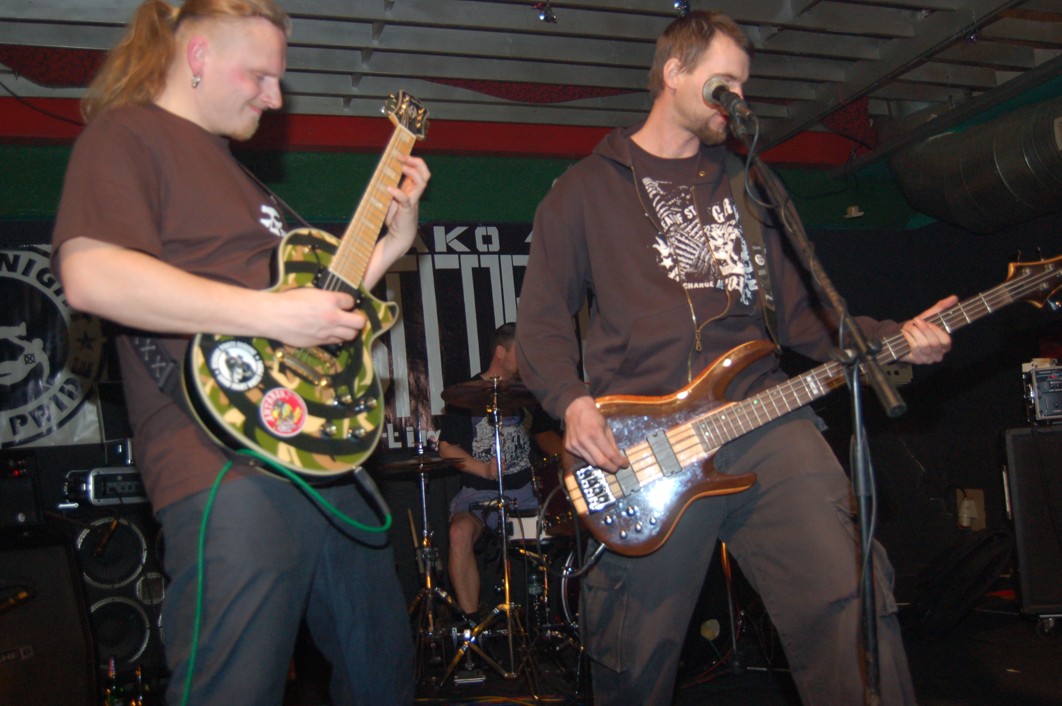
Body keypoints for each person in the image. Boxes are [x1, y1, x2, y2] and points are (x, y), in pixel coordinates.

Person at [515, 10, 955, 706]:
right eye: (725, 84)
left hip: (763, 415)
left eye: (744, 86)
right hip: (647, 442)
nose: (738, 100)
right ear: (674, 73)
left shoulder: (749, 185)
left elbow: (806, 314)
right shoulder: (583, 192)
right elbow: (540, 322)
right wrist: (571, 402)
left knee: (851, 598)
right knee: (633, 657)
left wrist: (892, 335)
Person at [51, 1, 430, 704]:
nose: (275, 97)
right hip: (223, 466)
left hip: (323, 459)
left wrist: (393, 244)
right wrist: (271, 313)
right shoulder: (127, 134)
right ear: (197, 56)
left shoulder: (243, 180)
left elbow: (319, 308)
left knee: (384, 676)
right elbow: (91, 275)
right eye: (260, 76)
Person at [437, 323, 562, 623]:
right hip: (477, 495)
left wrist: (572, 457)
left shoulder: (529, 393)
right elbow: (446, 448)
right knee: (458, 533)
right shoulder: (466, 394)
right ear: (500, 352)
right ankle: (471, 627)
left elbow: (545, 435)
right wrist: (483, 469)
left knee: (565, 525)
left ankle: (552, 621)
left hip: (525, 494)